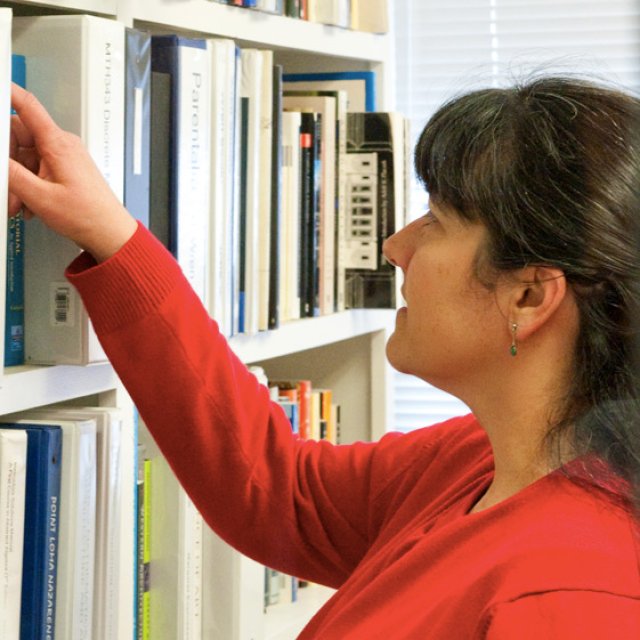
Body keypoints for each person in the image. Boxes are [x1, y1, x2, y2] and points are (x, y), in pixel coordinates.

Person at [8, 75, 640, 638]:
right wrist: (111, 235)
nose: (394, 246)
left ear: (529, 295)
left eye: (437, 221)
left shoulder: (576, 597)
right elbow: (274, 489)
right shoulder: (479, 459)